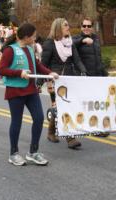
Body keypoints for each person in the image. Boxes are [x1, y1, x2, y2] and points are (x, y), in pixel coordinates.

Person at [0, 23, 59, 166]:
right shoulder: (10, 50)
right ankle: (13, 153)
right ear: (26, 37)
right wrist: (19, 73)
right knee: (17, 121)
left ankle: (33, 152)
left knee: (38, 118)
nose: (35, 38)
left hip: (31, 90)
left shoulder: (30, 49)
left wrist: (50, 73)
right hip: (15, 90)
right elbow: (1, 70)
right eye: (33, 36)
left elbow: (37, 65)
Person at [41, 18, 87, 149]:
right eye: (65, 25)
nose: (68, 27)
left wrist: (83, 71)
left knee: (63, 107)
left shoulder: (70, 42)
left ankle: (51, 132)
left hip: (69, 78)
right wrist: (39, 82)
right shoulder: (49, 43)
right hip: (54, 80)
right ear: (58, 28)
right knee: (62, 107)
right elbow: (43, 64)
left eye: (68, 24)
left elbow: (77, 60)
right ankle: (70, 138)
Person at [73, 17, 109, 137]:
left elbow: (99, 58)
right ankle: (88, 127)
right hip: (85, 76)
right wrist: (82, 41)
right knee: (86, 104)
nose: (86, 28)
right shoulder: (76, 38)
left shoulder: (96, 39)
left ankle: (97, 127)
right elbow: (71, 45)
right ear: (81, 27)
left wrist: (104, 73)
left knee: (97, 103)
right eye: (84, 26)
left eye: (89, 26)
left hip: (98, 75)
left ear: (92, 27)